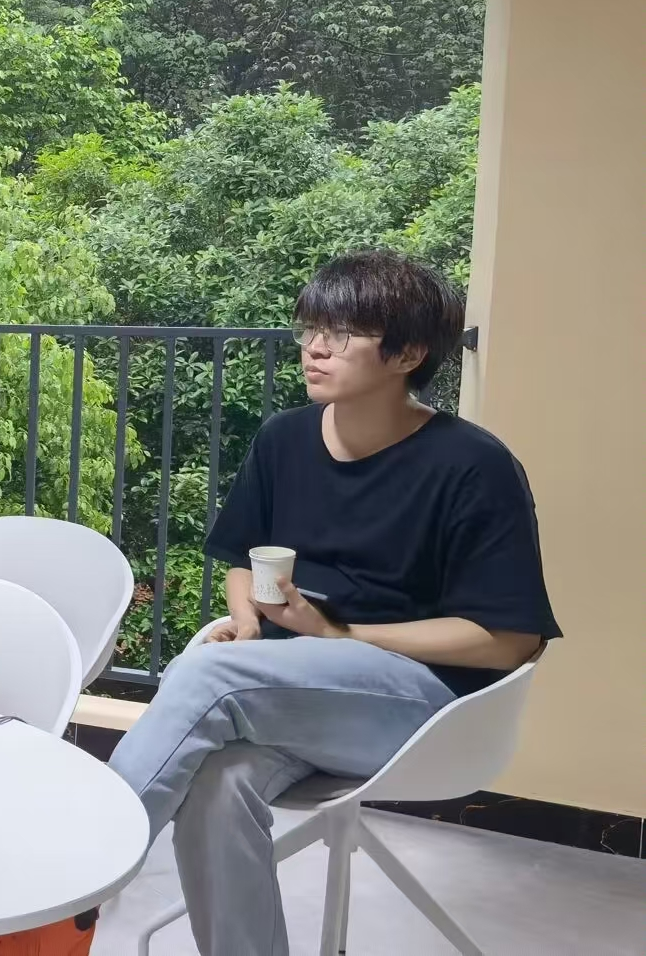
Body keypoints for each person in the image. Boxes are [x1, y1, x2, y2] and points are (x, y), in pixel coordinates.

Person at [108, 248, 557, 956]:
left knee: (208, 676)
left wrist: (340, 634)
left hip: (426, 704)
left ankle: (67, 881)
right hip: (296, 689)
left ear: (408, 353)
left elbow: (507, 641)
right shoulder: (283, 439)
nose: (316, 348)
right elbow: (241, 557)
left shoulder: (474, 465)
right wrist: (249, 622)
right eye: (311, 328)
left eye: (343, 333)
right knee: (218, 784)